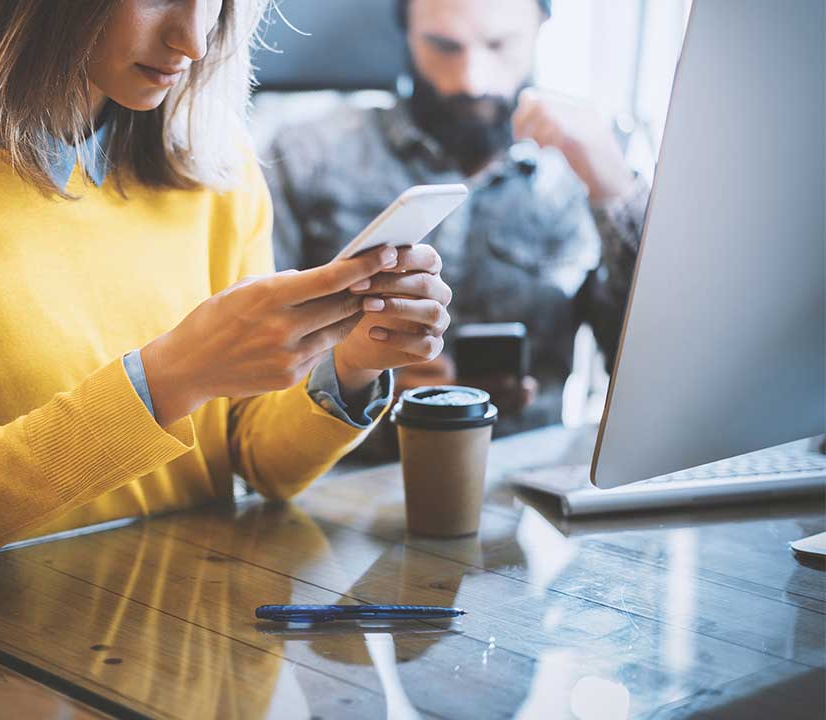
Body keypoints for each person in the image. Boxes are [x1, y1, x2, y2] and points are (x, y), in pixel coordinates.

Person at [0, 0, 453, 582]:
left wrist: (353, 361)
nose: (195, 40)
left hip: (197, 654)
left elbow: (260, 460)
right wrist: (170, 378)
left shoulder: (215, 155)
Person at [265, 0, 648, 454]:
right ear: (405, 29)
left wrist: (614, 190)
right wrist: (356, 376)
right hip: (342, 472)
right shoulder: (307, 156)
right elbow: (258, 360)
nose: (472, 80)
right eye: (443, 46)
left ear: (541, 26)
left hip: (525, 474)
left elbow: (651, 372)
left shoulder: (591, 163)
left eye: (499, 44)